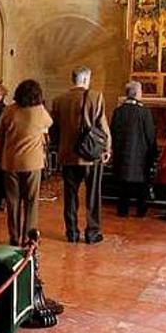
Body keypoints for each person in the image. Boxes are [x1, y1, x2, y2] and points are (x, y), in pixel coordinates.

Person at [51, 66, 111, 244]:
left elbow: (54, 130)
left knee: (70, 196)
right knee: (93, 195)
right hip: (91, 156)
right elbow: (102, 126)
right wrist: (107, 148)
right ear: (86, 79)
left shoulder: (59, 100)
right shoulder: (95, 96)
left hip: (68, 155)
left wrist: (60, 146)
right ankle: (92, 233)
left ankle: (72, 232)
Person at [0, 79, 53, 246]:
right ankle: (28, 237)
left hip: (11, 160)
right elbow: (49, 126)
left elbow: (0, 137)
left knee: (13, 201)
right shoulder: (40, 111)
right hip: (33, 162)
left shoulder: (9, 110)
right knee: (31, 200)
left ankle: (14, 236)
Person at [110, 81, 157, 217]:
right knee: (141, 185)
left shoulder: (118, 111)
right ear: (137, 93)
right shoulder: (144, 112)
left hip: (122, 155)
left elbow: (112, 131)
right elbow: (150, 135)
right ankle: (141, 211)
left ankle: (122, 210)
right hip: (140, 157)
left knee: (123, 185)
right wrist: (153, 154)